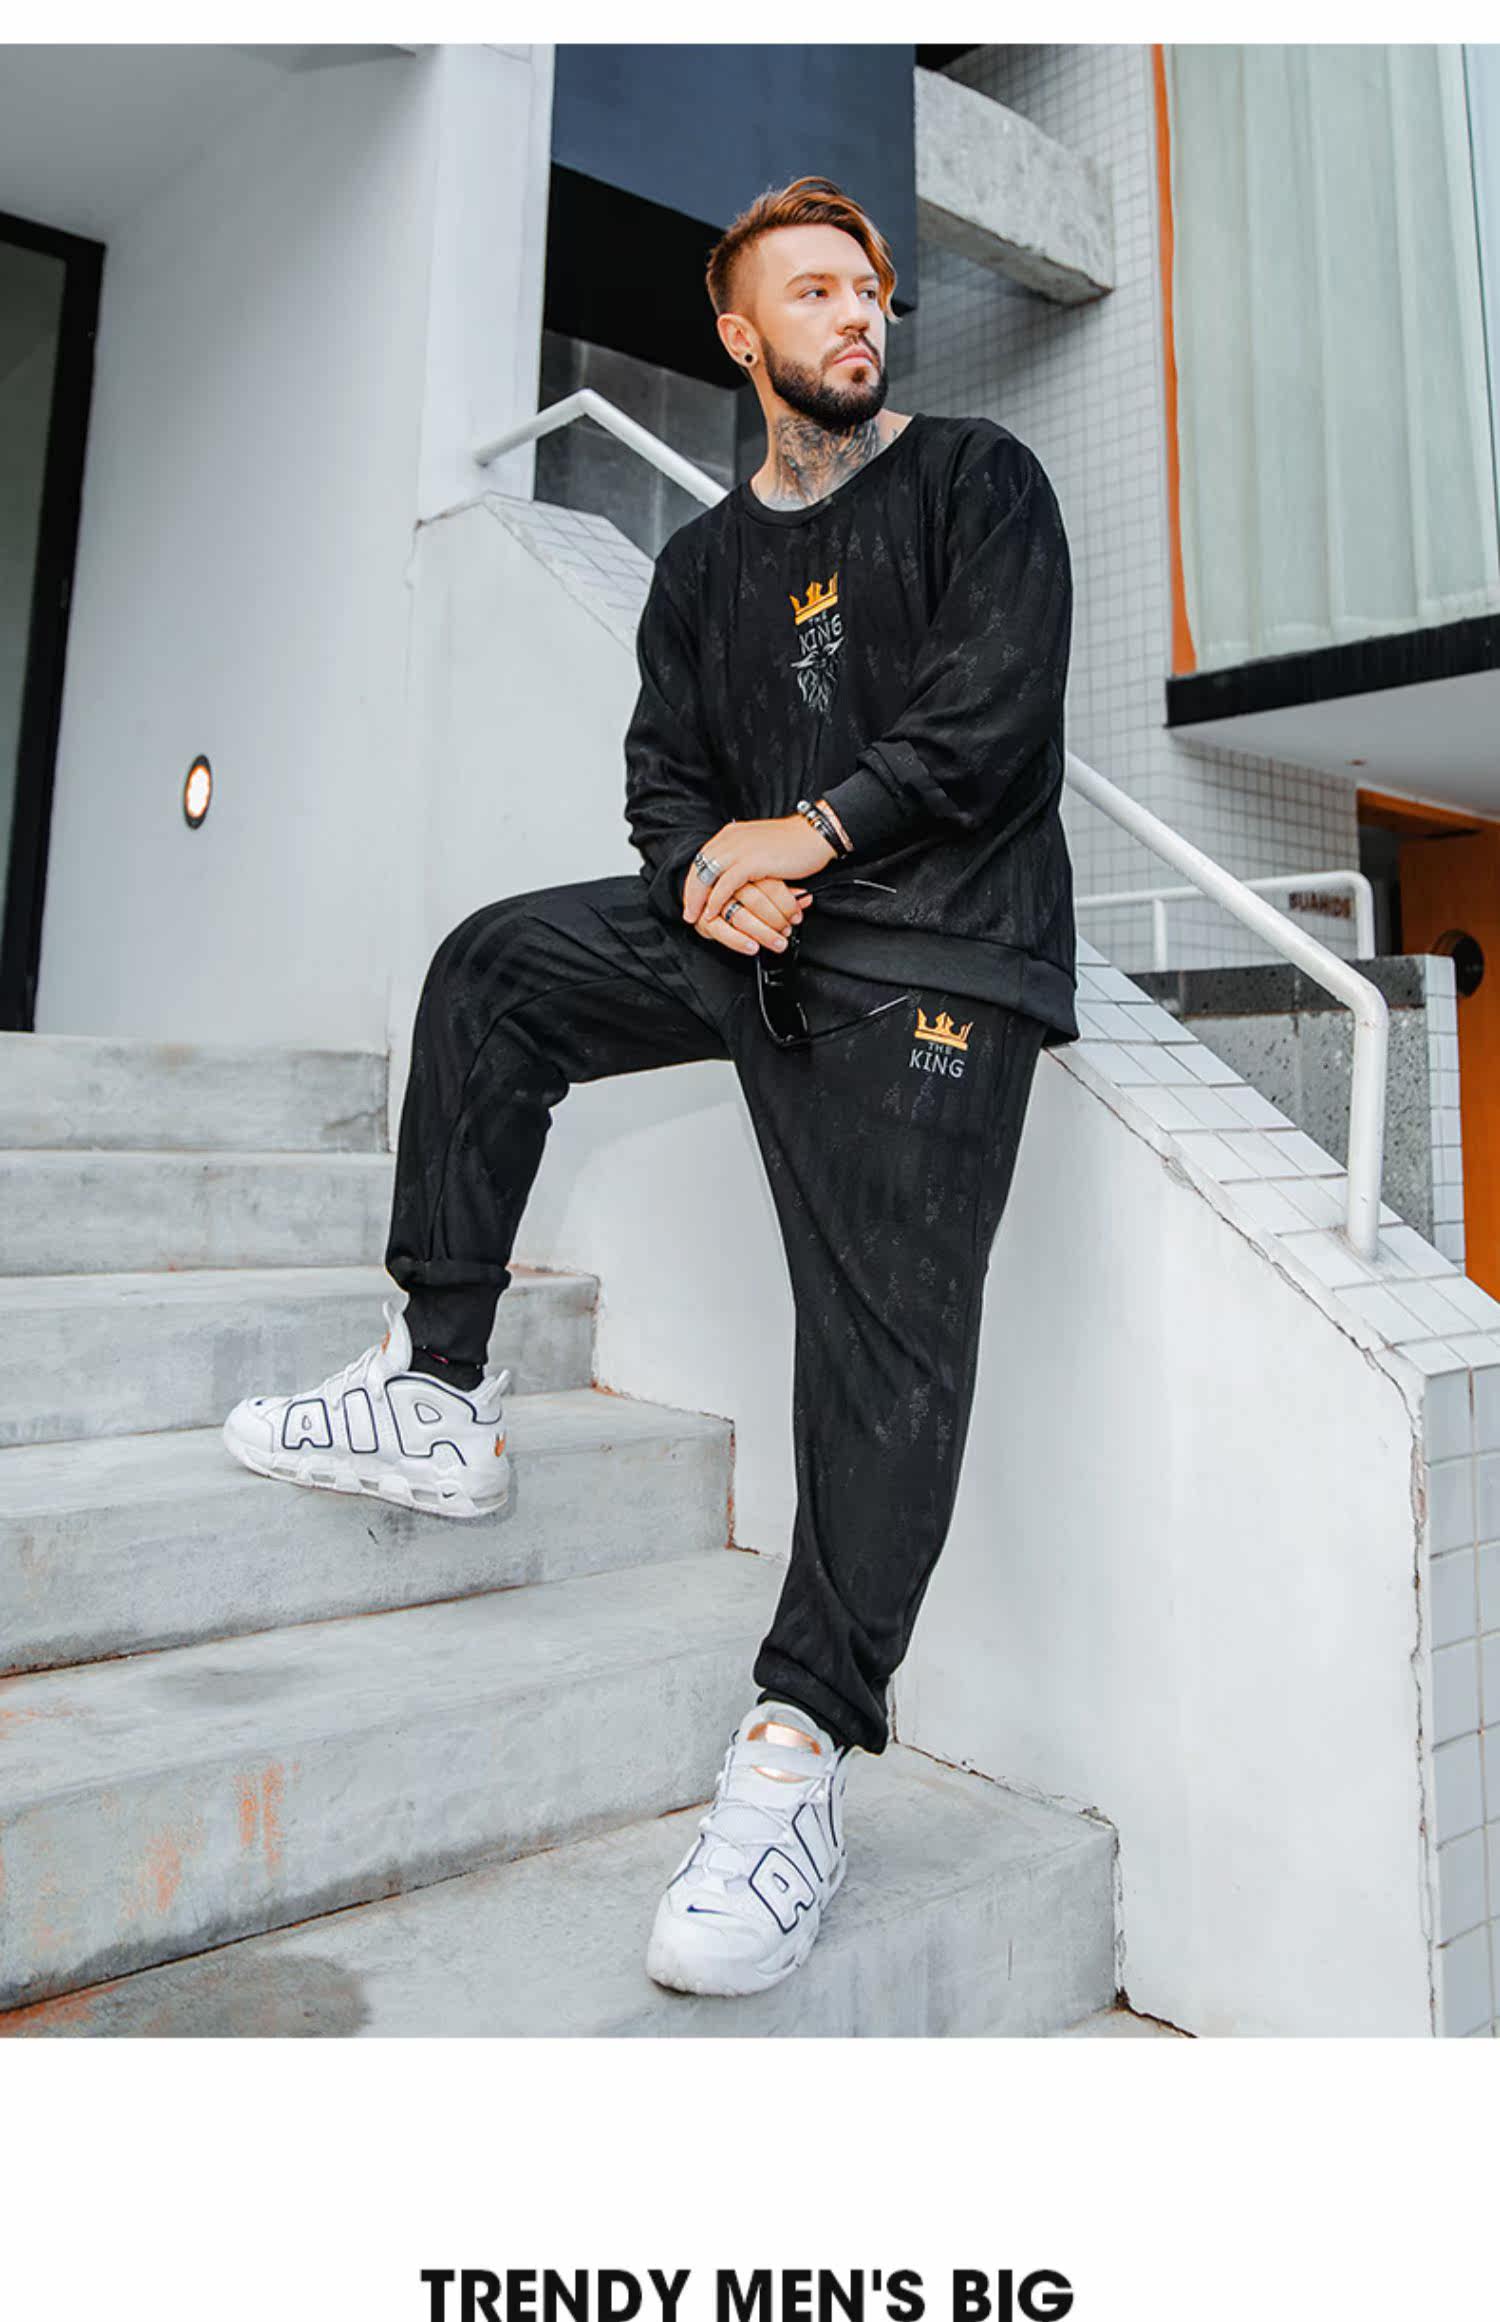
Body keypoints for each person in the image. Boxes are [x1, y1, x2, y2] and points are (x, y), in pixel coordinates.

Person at [221, 172, 1078, 1999]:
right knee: (497, 968)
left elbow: (992, 724)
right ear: (741, 334)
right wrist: (707, 869)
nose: (855, 311)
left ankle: (796, 1749)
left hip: (938, 961)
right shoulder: (698, 571)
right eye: (812, 291)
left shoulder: (979, 483)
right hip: (757, 940)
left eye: (867, 286)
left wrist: (810, 832)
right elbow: (665, 779)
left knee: (883, 1348)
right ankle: (439, 1388)